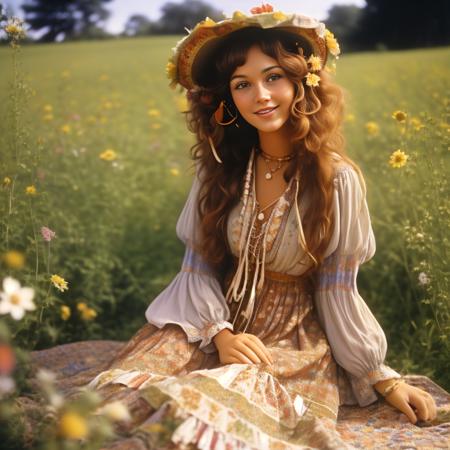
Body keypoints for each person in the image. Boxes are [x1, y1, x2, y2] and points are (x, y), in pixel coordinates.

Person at [86, 4, 437, 449]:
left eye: (273, 77)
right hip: (212, 319)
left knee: (208, 407)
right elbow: (196, 267)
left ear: (300, 81)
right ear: (226, 99)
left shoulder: (336, 180)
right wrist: (221, 333)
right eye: (242, 84)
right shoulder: (221, 170)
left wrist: (378, 376)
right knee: (118, 404)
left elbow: (337, 290)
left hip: (290, 335)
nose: (261, 96)